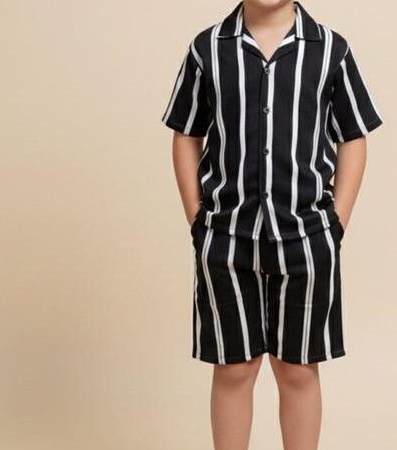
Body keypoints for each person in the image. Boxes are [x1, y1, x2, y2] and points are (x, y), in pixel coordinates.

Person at [161, 1, 383, 448]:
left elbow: (353, 137)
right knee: (233, 369)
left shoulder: (330, 50)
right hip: (225, 240)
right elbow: (186, 134)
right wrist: (197, 219)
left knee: (297, 369)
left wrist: (335, 223)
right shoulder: (208, 49)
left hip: (305, 239)